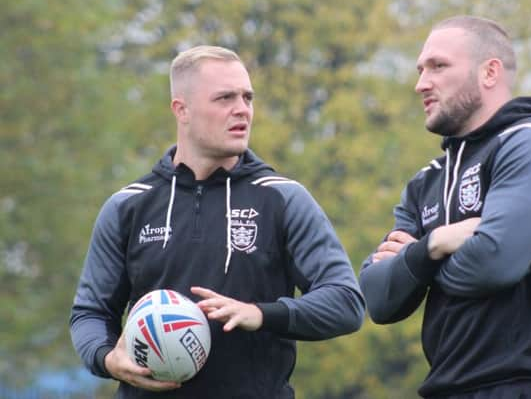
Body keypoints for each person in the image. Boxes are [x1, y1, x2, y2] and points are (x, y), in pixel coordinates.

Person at [70, 45, 365, 398]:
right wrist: (107, 358)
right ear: (182, 110)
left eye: (247, 97)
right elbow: (90, 313)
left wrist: (261, 313)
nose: (242, 110)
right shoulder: (127, 206)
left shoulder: (283, 198)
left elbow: (346, 303)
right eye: (225, 98)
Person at [359, 15, 531, 399]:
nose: (421, 83)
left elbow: (492, 264)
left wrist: (416, 263)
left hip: (528, 385)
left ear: (490, 72)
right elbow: (379, 297)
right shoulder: (427, 181)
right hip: (445, 387)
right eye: (420, 70)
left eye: (438, 66)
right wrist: (436, 243)